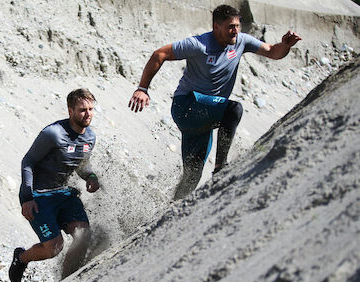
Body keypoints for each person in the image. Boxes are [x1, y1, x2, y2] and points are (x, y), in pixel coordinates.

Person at [128, 4, 302, 200]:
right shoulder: (199, 44)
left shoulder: (241, 41)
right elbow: (160, 54)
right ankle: (220, 167)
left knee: (192, 176)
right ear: (216, 26)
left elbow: (272, 51)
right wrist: (142, 89)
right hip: (187, 106)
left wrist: (285, 45)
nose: (235, 30)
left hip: (208, 114)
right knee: (234, 109)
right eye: (230, 26)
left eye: (237, 25)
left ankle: (170, 210)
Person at [9, 88, 100, 282]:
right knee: (54, 247)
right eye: (82, 110)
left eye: (91, 109)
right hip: (38, 195)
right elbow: (28, 161)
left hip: (63, 193)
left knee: (83, 236)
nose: (88, 114)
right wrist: (27, 198)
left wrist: (90, 176)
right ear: (70, 111)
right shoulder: (53, 133)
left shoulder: (90, 137)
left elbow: (82, 165)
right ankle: (21, 258)